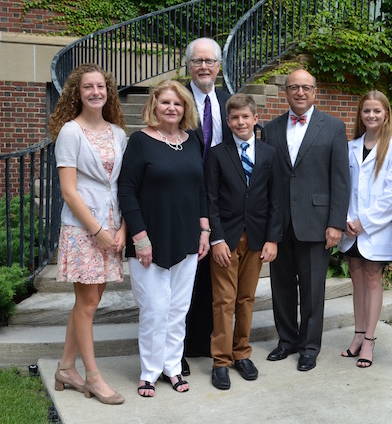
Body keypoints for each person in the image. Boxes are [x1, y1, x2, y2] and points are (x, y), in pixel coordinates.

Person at [118, 80, 211, 397]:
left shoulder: (193, 141)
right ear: (154, 106)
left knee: (178, 310)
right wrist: (139, 236)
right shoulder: (140, 142)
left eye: (178, 103)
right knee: (155, 310)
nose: (172, 108)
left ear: (185, 108)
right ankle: (149, 371)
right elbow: (127, 191)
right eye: (166, 103)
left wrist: (205, 230)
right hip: (151, 240)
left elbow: (200, 189)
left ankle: (172, 367)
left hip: (186, 237)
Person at [49, 63, 127, 405]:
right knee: (89, 302)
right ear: (76, 94)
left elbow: (123, 185)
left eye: (101, 86)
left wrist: (121, 228)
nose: (96, 92)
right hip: (84, 229)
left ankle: (66, 367)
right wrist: (97, 231)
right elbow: (68, 191)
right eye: (87, 87)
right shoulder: (70, 132)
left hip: (112, 227)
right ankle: (93, 377)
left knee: (88, 303)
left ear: (108, 91)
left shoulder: (118, 133)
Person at [262, 69, 350, 372]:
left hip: (317, 222)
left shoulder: (334, 127)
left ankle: (309, 347)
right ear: (285, 92)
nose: (300, 93)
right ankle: (286, 341)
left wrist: (336, 223)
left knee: (313, 291)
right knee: (281, 287)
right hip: (280, 224)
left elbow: (340, 179)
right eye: (294, 87)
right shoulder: (270, 129)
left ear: (315, 92)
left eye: (306, 88)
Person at [205, 93, 283, 390]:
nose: (240, 122)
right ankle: (221, 361)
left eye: (245, 117)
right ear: (228, 121)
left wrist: (273, 239)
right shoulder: (217, 154)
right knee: (224, 299)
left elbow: (276, 201)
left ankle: (242, 353)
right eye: (235, 118)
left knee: (246, 298)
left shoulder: (268, 154)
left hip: (257, 237)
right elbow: (211, 199)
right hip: (226, 237)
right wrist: (217, 239)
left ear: (254, 119)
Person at [338, 91, 392, 368]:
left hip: (374, 229)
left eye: (377, 111)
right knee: (356, 280)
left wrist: (363, 222)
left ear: (386, 114)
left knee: (372, 280)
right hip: (350, 228)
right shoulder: (351, 146)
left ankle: (369, 339)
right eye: (366, 111)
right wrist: (345, 219)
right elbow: (342, 187)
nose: (371, 115)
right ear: (360, 114)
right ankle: (357, 334)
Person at [182, 37, 234, 369]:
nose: (204, 67)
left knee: (212, 276)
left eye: (209, 61)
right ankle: (179, 349)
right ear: (188, 65)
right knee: (185, 273)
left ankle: (205, 341)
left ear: (218, 67)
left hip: (220, 201)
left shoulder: (229, 103)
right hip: (184, 199)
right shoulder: (175, 100)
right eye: (198, 61)